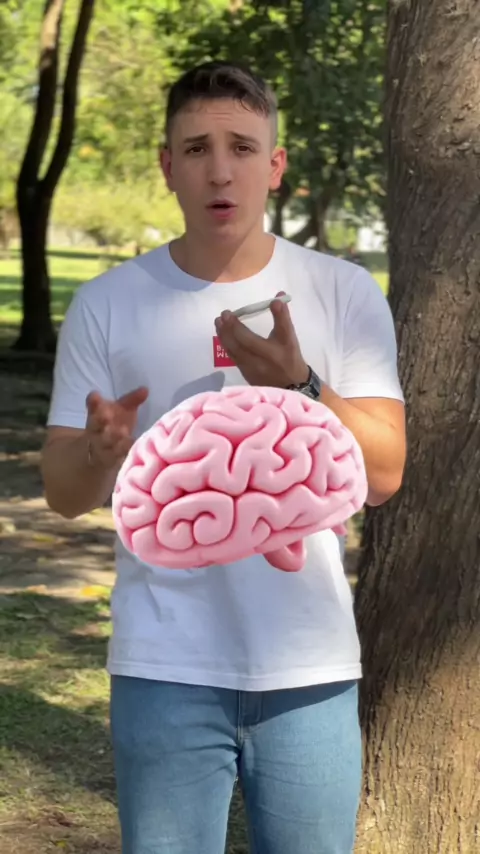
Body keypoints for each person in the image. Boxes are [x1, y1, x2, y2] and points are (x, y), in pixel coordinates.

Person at [41, 61, 407, 854]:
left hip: (308, 665)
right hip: (163, 663)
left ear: (274, 164)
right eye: (196, 148)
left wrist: (303, 384)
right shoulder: (107, 304)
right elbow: (64, 495)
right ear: (167, 165)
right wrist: (100, 452)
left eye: (242, 147)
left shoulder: (342, 292)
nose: (219, 170)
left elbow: (383, 476)